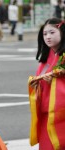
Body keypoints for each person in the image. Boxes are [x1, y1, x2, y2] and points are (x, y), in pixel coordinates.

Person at [28, 18, 65, 150]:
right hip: (46, 114)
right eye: (45, 34)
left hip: (61, 116)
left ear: (62, 32)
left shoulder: (63, 57)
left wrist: (56, 81)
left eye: (52, 32)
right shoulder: (45, 59)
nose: (48, 37)